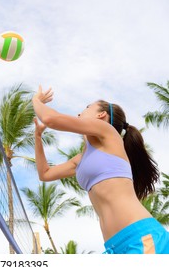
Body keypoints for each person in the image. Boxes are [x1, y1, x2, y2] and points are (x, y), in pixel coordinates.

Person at [32, 85, 169, 254]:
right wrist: (38, 137)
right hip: (114, 247)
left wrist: (36, 100)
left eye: (87, 107)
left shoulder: (107, 132)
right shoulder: (81, 160)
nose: (79, 113)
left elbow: (50, 119)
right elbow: (45, 174)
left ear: (101, 115)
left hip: (141, 238)